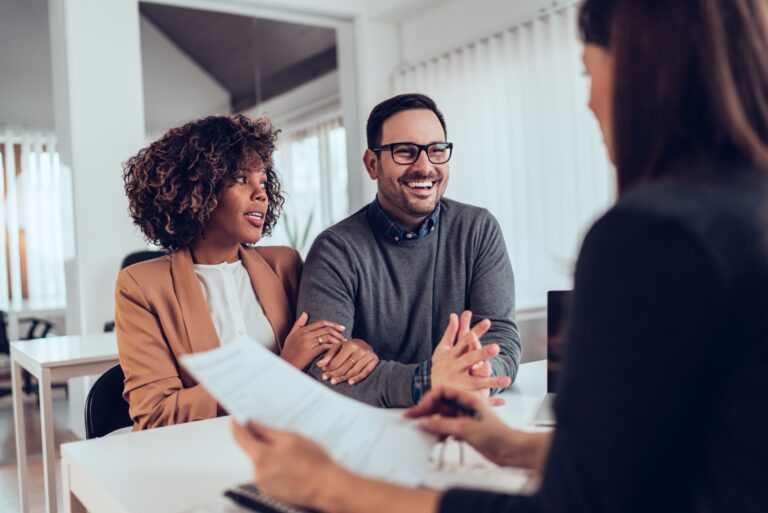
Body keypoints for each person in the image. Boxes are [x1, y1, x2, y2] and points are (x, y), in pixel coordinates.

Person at [232, 0, 768, 511]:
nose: (587, 100)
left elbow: (576, 499)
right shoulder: (744, 212)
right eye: (405, 152)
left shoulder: (652, 235)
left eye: (587, 73)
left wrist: (332, 489)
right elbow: (676, 454)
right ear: (373, 164)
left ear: (641, 71)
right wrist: (508, 444)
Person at [115, 114, 376, 430]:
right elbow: (156, 414)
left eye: (263, 181)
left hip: (295, 441)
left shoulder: (285, 265)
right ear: (197, 189)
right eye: (241, 179)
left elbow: (327, 355)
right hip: (203, 456)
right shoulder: (142, 286)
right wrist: (280, 368)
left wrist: (358, 349)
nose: (261, 193)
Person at [296, 93, 520, 407]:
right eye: (405, 152)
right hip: (368, 435)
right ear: (372, 164)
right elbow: (324, 369)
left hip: (466, 417)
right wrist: (427, 383)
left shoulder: (478, 230)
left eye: (437, 150)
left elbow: (501, 339)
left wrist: (475, 375)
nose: (425, 166)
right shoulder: (335, 250)